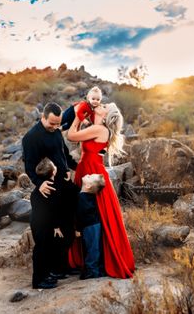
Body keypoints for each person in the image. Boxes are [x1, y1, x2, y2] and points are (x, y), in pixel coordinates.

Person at [67, 103, 135, 279]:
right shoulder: (95, 127)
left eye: (104, 105)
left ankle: (96, 264)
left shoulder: (100, 129)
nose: (100, 104)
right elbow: (82, 145)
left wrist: (77, 117)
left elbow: (71, 136)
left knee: (96, 216)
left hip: (92, 171)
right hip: (86, 168)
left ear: (106, 115)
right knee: (87, 215)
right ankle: (88, 261)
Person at [22, 102, 78, 290]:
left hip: (65, 184)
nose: (55, 128)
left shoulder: (56, 132)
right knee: (46, 235)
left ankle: (60, 268)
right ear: (43, 117)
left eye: (58, 124)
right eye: (52, 124)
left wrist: (74, 167)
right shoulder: (31, 137)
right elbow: (29, 166)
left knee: (68, 229)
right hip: (48, 187)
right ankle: (45, 274)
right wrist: (40, 184)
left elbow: (65, 154)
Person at [76, 173, 105, 280]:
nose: (87, 174)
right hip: (93, 225)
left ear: (88, 186)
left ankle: (92, 271)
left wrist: (77, 229)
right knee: (93, 247)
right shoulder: (86, 195)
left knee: (93, 248)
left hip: (90, 226)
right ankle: (95, 269)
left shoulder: (81, 197)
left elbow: (80, 215)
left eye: (89, 177)